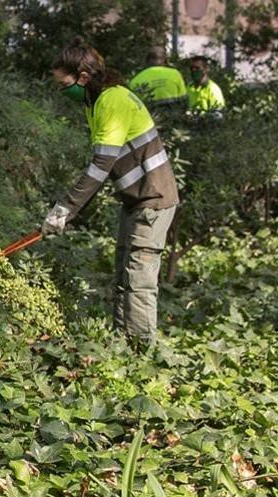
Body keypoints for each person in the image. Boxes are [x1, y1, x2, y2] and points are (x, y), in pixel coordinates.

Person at [42, 38, 180, 346]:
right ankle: (123, 344)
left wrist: (64, 209)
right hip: (136, 199)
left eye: (64, 85)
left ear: (83, 77)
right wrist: (71, 211)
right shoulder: (96, 102)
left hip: (153, 199)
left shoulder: (111, 101)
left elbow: (99, 167)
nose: (63, 91)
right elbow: (103, 169)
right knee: (123, 274)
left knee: (139, 279)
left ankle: (141, 353)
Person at [129, 46, 188, 111]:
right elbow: (184, 100)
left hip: (149, 119)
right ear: (165, 59)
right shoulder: (175, 74)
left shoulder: (136, 80)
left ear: (147, 60)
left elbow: (133, 106)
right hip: (173, 118)